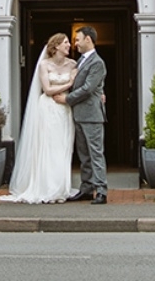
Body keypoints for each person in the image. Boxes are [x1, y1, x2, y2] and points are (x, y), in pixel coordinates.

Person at [0, 32, 77, 203]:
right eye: (65, 43)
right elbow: (47, 90)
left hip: (64, 109)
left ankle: (60, 187)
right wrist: (68, 84)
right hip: (48, 108)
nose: (69, 45)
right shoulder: (44, 65)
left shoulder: (73, 64)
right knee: (47, 147)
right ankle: (45, 186)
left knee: (63, 147)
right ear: (56, 46)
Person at [55, 25, 108, 204]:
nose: (75, 43)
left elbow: (87, 89)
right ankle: (86, 188)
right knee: (84, 155)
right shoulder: (80, 61)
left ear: (88, 39)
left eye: (78, 39)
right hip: (79, 114)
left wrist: (67, 99)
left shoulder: (97, 62)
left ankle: (101, 190)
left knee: (95, 154)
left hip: (92, 115)